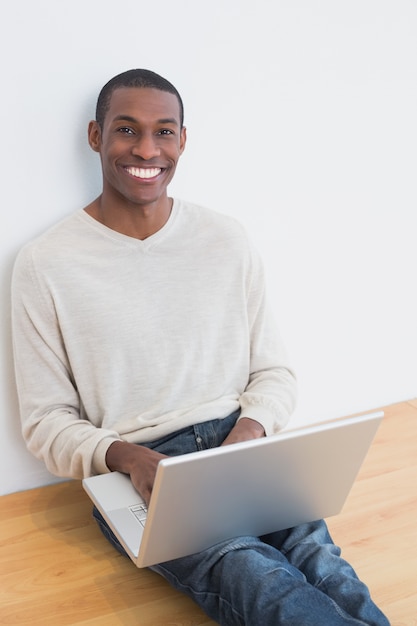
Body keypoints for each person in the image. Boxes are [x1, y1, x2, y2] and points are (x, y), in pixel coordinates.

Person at [11, 68, 390, 626]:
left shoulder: (225, 238)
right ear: (96, 136)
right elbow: (46, 421)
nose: (147, 149)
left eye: (164, 132)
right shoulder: (45, 263)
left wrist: (248, 434)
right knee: (259, 578)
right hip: (139, 470)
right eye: (126, 130)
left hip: (241, 446)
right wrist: (131, 458)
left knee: (323, 564)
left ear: (183, 141)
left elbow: (275, 372)